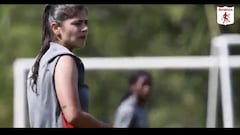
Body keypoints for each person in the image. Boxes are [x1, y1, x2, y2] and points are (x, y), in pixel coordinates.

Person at [26, 4, 111, 128]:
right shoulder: (64, 60)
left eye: (85, 23)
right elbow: (73, 115)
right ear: (56, 28)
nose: (85, 28)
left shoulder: (40, 61)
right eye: (77, 23)